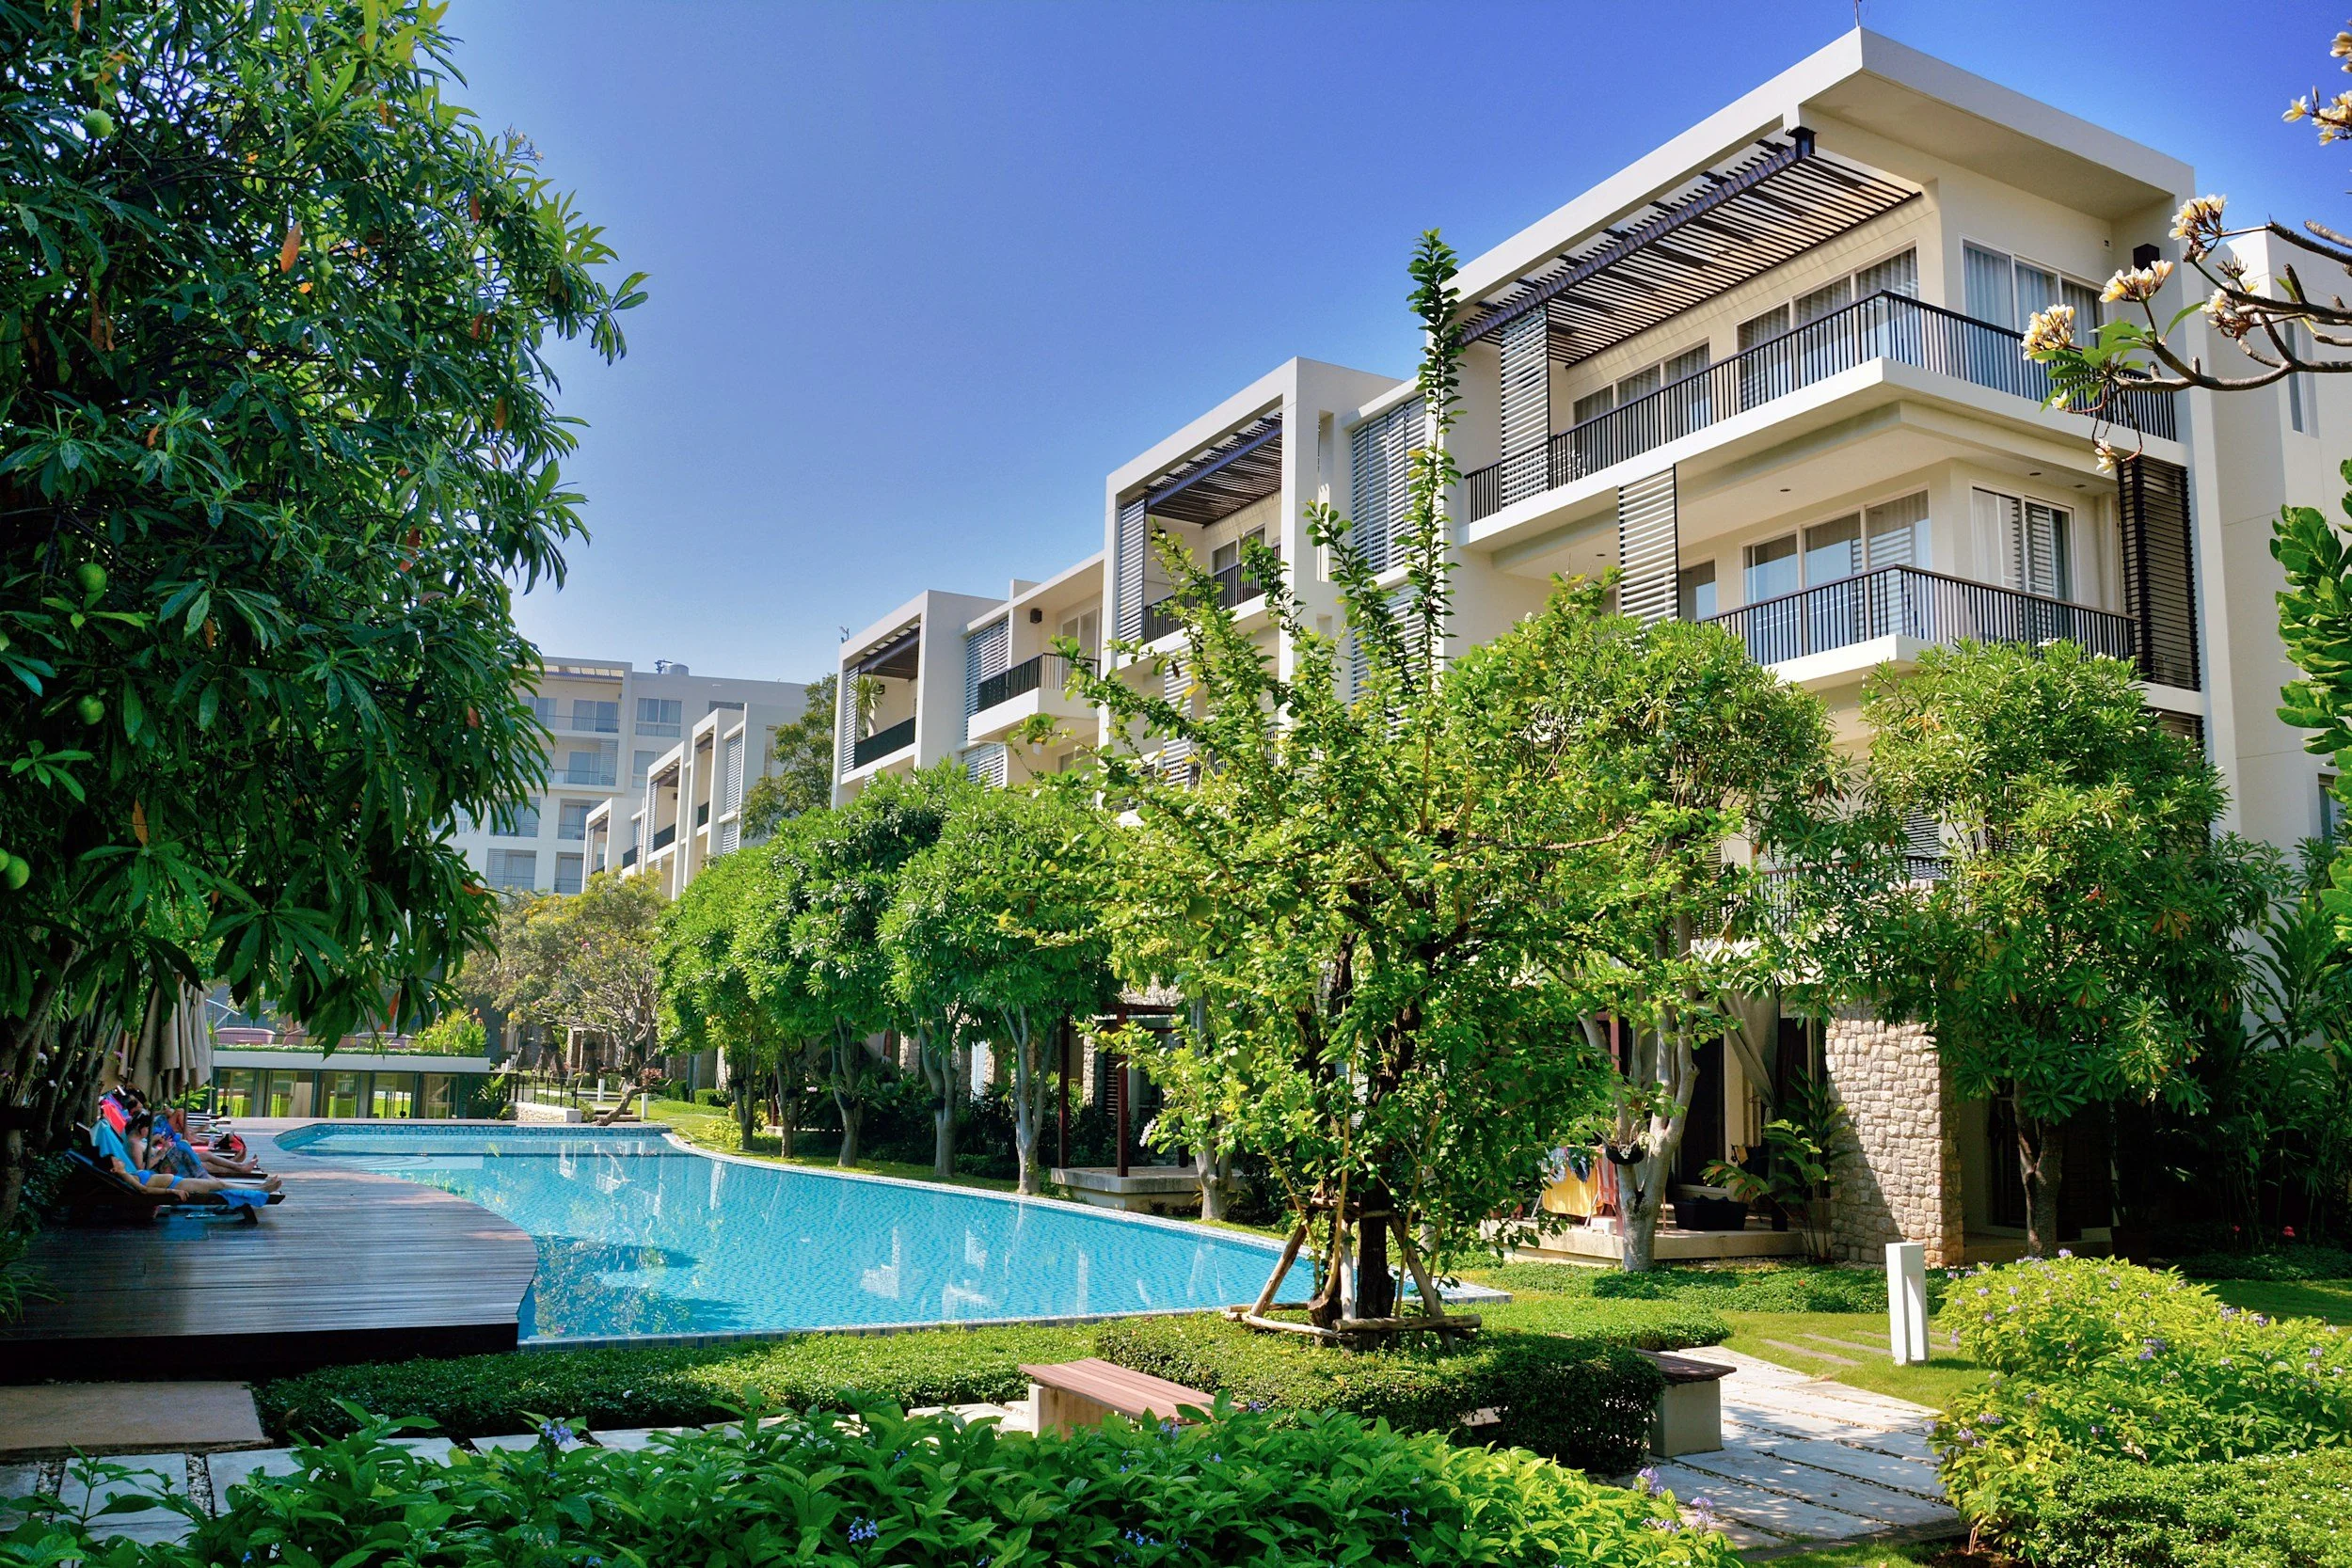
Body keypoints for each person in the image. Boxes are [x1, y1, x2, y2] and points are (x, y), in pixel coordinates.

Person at [102, 1113, 281, 1198]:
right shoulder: (128, 1175)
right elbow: (144, 1190)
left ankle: (258, 1185)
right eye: (116, 1161)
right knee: (218, 1185)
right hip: (178, 1183)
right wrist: (171, 1191)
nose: (119, 1159)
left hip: (174, 1179)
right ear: (113, 1168)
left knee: (217, 1182)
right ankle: (260, 1189)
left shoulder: (128, 1174)